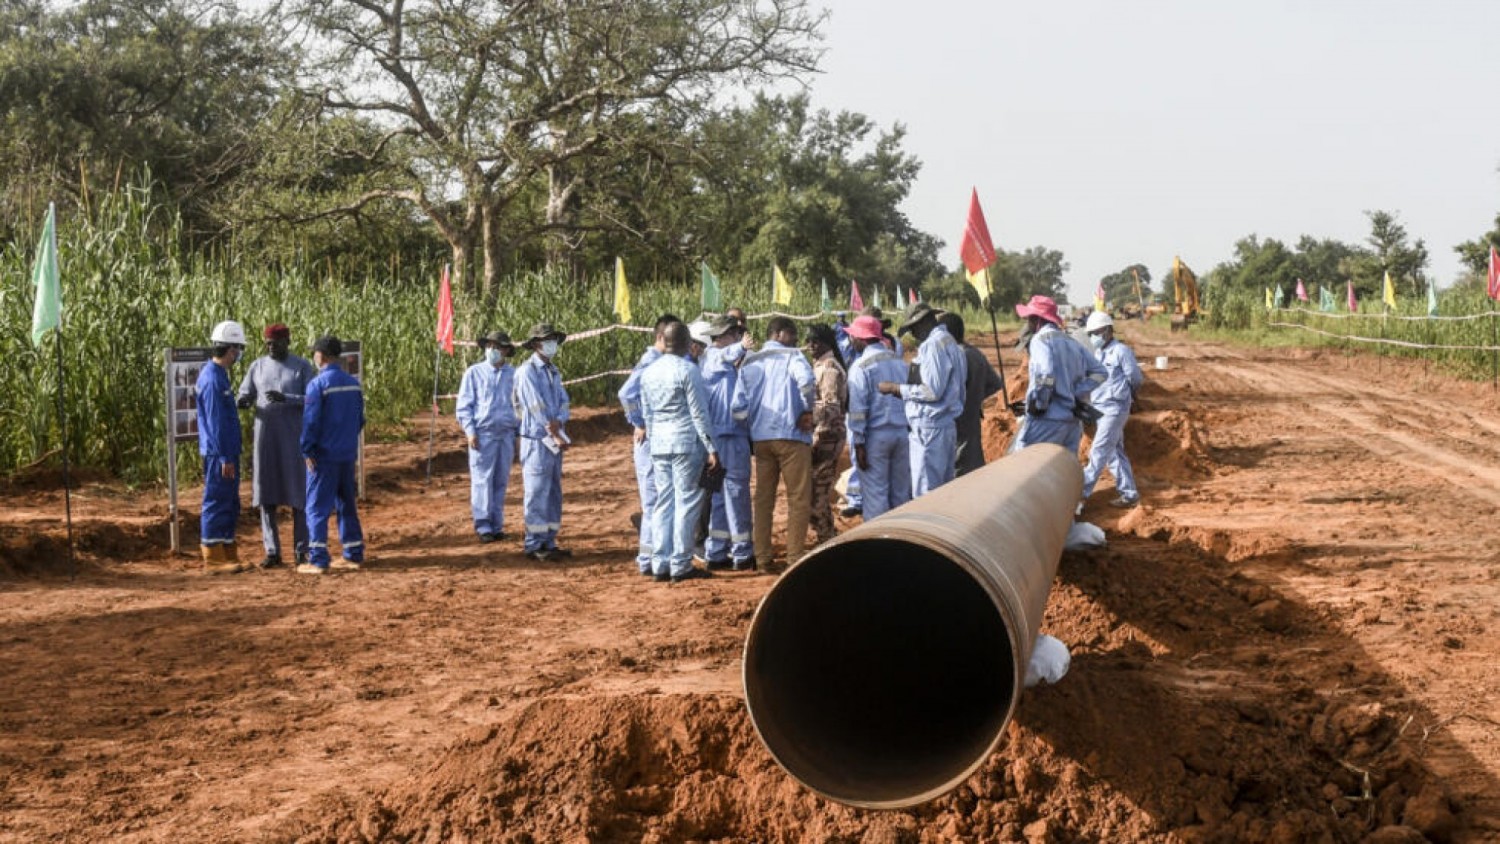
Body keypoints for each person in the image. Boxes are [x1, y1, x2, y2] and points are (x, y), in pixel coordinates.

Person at [732, 316, 816, 571]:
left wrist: (752, 427)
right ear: (779, 334)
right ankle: (793, 559)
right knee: (798, 499)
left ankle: (763, 559)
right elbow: (807, 382)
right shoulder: (792, 357)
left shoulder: (750, 361)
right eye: (793, 335)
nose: (796, 341)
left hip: (762, 440)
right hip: (792, 437)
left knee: (763, 500)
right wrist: (806, 410)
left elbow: (738, 408)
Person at [640, 322, 721, 583]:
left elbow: (647, 414)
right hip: (686, 443)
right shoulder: (688, 370)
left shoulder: (649, 373)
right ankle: (681, 563)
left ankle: (660, 562)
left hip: (660, 444)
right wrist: (711, 447)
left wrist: (653, 441)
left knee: (664, 501)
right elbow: (699, 413)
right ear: (687, 343)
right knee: (686, 502)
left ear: (664, 340)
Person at [236, 323, 317, 569]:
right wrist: (244, 399)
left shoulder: (302, 367)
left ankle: (301, 550)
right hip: (266, 440)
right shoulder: (257, 366)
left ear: (287, 342)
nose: (271, 347)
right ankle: (272, 552)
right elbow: (245, 391)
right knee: (266, 495)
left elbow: (313, 398)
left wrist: (288, 399)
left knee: (298, 497)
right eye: (268, 344)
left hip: (293, 441)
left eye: (276, 343)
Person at [879, 301, 966, 498]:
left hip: (929, 429)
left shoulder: (933, 345)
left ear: (922, 322)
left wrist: (896, 389)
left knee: (926, 494)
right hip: (943, 426)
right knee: (943, 492)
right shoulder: (950, 342)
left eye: (913, 328)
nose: (913, 334)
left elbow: (932, 390)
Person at [298, 335, 366, 574]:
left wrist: (307, 449)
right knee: (346, 504)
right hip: (346, 455)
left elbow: (311, 422)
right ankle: (353, 553)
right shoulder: (353, 383)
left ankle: (318, 558)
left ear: (321, 356)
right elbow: (360, 420)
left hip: (323, 457)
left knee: (316, 508)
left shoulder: (317, 385)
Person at [619, 314, 679, 573]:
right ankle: (648, 559)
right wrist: (639, 421)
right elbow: (626, 393)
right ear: (659, 337)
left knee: (662, 500)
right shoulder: (650, 362)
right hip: (650, 441)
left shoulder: (665, 361)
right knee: (654, 502)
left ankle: (655, 556)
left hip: (662, 439)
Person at [1013, 295, 1107, 455]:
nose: (1028, 323)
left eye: (1029, 318)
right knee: (1062, 472)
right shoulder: (1072, 342)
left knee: (1028, 469)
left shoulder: (1040, 340)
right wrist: (1075, 391)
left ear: (1037, 320)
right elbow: (1101, 372)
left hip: (1047, 420)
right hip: (1071, 422)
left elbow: (1046, 372)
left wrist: (1040, 404)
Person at [699, 315, 754, 570]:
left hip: (721, 436)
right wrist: (742, 347)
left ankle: (717, 551)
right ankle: (742, 552)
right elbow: (727, 355)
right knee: (736, 494)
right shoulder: (714, 356)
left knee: (721, 496)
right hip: (729, 436)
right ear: (724, 336)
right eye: (736, 334)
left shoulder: (723, 362)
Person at [456, 330, 520, 543]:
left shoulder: (514, 375)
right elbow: (464, 406)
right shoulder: (474, 373)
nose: (492, 350)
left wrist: (518, 433)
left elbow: (520, 406)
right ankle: (483, 525)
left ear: (505, 351)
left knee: (500, 481)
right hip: (483, 435)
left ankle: (497, 524)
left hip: (506, 435)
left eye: (497, 347)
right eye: (489, 346)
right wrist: (470, 432)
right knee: (482, 480)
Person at [845, 315, 911, 520]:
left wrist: (858, 442)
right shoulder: (900, 363)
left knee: (875, 495)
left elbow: (857, 409)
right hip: (902, 434)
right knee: (901, 494)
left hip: (875, 437)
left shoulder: (861, 366)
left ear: (862, 338)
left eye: (853, 337)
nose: (851, 341)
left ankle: (879, 547)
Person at [515, 322, 572, 562]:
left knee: (552, 493)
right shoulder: (526, 372)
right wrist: (552, 429)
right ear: (537, 344)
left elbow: (564, 401)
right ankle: (534, 542)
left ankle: (549, 539)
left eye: (554, 340)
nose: (552, 345)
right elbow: (535, 405)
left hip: (554, 439)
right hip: (537, 440)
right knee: (537, 492)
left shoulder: (553, 371)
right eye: (548, 340)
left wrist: (560, 419)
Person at [1081, 311, 1145, 509]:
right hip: (1100, 407)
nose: (1093, 337)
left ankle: (1079, 494)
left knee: (1099, 450)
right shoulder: (1098, 353)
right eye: (1090, 333)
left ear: (1108, 331)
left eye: (1096, 332)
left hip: (1115, 407)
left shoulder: (1121, 351)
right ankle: (1129, 494)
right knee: (1114, 452)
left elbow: (1135, 378)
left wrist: (1127, 395)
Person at [198, 320, 247, 574]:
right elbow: (217, 423)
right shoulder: (213, 379)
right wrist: (226, 456)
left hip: (226, 452)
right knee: (216, 501)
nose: (238, 355)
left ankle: (227, 551)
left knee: (230, 501)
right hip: (220, 454)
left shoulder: (219, 376)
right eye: (237, 349)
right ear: (230, 350)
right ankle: (213, 557)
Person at [937, 312, 1005, 477]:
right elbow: (995, 383)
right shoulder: (975, 354)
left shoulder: (954, 356)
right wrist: (975, 397)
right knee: (972, 459)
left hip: (955, 421)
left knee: (956, 466)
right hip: (972, 416)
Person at [806, 323, 847, 544]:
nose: (810, 345)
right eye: (808, 341)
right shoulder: (821, 364)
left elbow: (830, 407)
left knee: (816, 492)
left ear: (826, 342)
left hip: (827, 436)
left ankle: (826, 537)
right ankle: (827, 533)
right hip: (826, 434)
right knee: (817, 490)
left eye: (815, 341)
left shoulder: (829, 368)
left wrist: (810, 422)